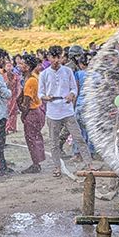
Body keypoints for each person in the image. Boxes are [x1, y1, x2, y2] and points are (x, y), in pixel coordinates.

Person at [39, 45, 92, 177]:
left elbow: (74, 88)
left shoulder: (68, 71)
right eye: (53, 57)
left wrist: (71, 95)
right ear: (49, 58)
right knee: (54, 142)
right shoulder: (44, 74)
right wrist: (46, 98)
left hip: (67, 111)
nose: (56, 60)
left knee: (78, 138)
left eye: (58, 57)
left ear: (62, 57)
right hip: (52, 112)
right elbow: (40, 93)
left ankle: (89, 164)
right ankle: (57, 167)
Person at [17, 54, 46, 174]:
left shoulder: (30, 81)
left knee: (31, 138)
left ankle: (36, 164)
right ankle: (38, 161)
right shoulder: (33, 78)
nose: (19, 65)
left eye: (22, 64)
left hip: (32, 112)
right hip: (37, 111)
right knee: (36, 137)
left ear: (28, 67)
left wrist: (23, 115)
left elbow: (27, 103)